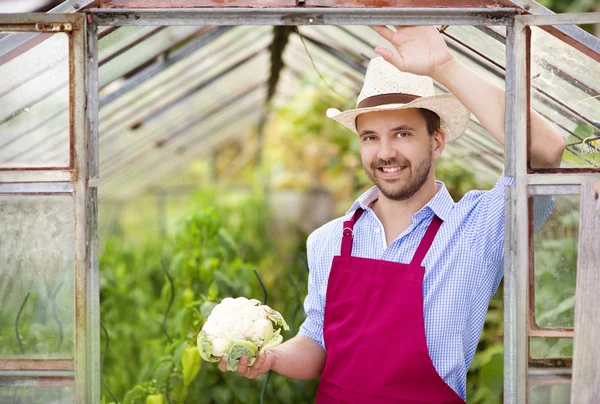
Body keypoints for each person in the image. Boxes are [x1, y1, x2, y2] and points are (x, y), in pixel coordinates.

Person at [218, 25, 566, 403]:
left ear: (436, 141)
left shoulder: (478, 227)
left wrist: (445, 67)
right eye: (370, 137)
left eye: (402, 133)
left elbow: (545, 151)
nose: (385, 153)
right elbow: (318, 343)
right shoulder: (328, 240)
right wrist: (272, 357)